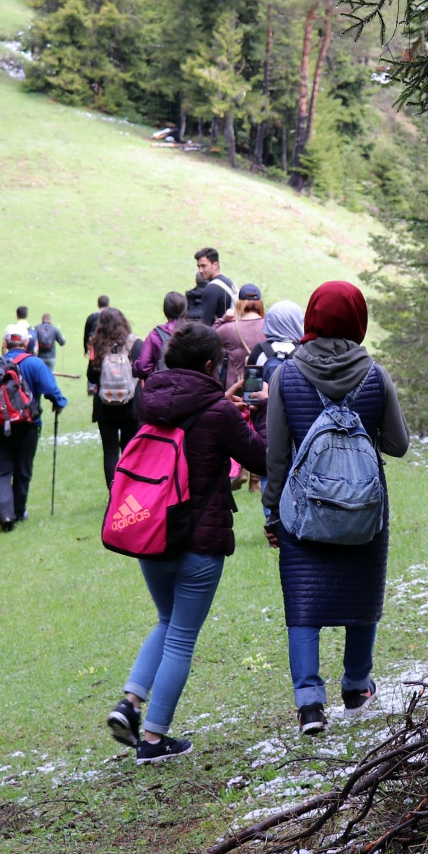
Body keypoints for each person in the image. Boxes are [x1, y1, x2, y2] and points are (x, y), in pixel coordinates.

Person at [106, 323, 267, 764]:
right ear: (212, 365)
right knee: (180, 638)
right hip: (199, 541)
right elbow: (259, 458)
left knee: (165, 621)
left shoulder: (150, 400)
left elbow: (187, 421)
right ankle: (154, 741)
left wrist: (226, 410)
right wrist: (259, 415)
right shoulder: (219, 412)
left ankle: (131, 702)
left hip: (152, 533)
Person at [261, 281, 409, 735]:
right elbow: (399, 445)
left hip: (303, 512)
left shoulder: (284, 377)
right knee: (361, 595)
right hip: (364, 509)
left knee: (303, 605)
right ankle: (357, 686)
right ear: (356, 319)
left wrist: (271, 513)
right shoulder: (376, 375)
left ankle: (309, 704)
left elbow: (277, 456)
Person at [0, 323, 67, 531]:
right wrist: (59, 405)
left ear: (5, 343)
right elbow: (53, 391)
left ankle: (6, 515)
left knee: (0, 471)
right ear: (26, 342)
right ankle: (19, 510)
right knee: (23, 469)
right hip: (28, 425)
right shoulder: (35, 364)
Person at [244, 299, 304, 499]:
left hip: (267, 426)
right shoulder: (303, 353)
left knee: (269, 471)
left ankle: (272, 518)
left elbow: (250, 396)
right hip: (297, 425)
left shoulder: (259, 352)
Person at [86, 307, 143, 488]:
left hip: (105, 406)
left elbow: (92, 377)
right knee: (129, 450)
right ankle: (129, 489)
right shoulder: (135, 343)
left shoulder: (96, 344)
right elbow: (142, 370)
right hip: (131, 405)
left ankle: (114, 491)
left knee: (110, 452)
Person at [215, 283, 266, 391]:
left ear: (239, 304)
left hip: (235, 389)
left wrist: (223, 319)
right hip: (264, 389)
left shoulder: (229, 329)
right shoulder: (270, 327)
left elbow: (207, 338)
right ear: (260, 303)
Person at [136, 291, 186, 380]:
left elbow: (143, 367)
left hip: (162, 389)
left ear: (164, 311)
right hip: (190, 389)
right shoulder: (194, 333)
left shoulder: (155, 335)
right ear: (185, 311)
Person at [194, 248, 236, 323]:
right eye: (199, 266)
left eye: (203, 266)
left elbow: (205, 323)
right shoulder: (229, 282)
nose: (200, 270)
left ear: (215, 265)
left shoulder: (212, 288)